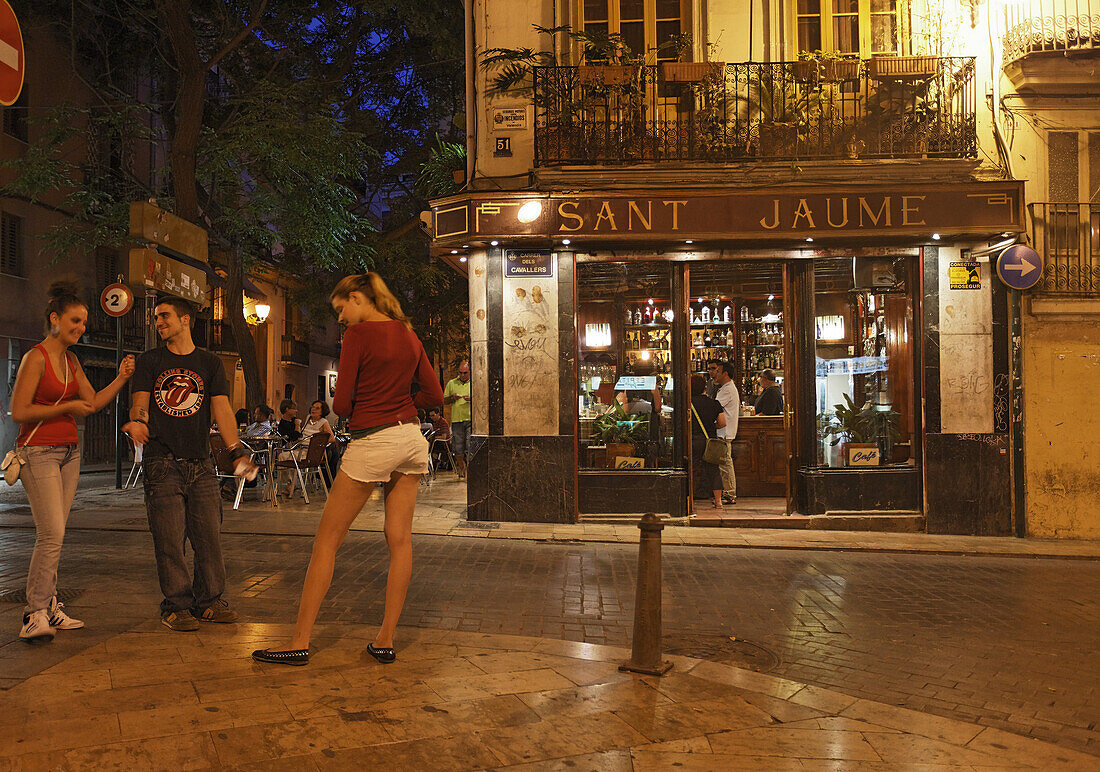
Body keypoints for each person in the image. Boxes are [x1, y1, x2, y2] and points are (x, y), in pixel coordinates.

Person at [252, 272, 443, 667]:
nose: (339, 319)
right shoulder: (409, 334)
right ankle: (385, 639)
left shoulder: (358, 337)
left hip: (373, 441)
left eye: (341, 309)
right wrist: (401, 403)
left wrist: (370, 406)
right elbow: (434, 395)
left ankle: (299, 641)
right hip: (410, 439)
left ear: (357, 297)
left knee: (326, 542)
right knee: (400, 541)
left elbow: (341, 405)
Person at [9, 281, 135, 643]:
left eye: (83, 322)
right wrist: (64, 408)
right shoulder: (36, 357)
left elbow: (93, 403)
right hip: (38, 453)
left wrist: (122, 378)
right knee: (51, 534)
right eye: (75, 321)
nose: (81, 328)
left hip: (69, 452)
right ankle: (34, 614)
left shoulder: (71, 359)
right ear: (54, 319)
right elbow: (19, 412)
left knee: (56, 536)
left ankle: (49, 606)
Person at [122, 297, 256, 632]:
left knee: (208, 536)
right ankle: (176, 606)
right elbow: (140, 402)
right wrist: (138, 421)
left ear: (186, 319)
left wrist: (236, 450)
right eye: (156, 317)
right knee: (169, 539)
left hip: (201, 463)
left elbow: (222, 410)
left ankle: (208, 602)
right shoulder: (150, 361)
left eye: (164, 316)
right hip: (161, 462)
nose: (158, 322)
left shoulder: (209, 363)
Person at [689, 374, 726, 509]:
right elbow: (722, 422)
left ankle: (690, 499)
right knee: (714, 470)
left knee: (691, 468)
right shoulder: (713, 403)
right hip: (710, 440)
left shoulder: (687, 403)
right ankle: (718, 501)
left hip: (692, 439)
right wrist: (710, 427)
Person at [712, 360, 740, 505]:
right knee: (724, 464)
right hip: (724, 432)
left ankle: (729, 494)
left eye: (717, 371)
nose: (714, 374)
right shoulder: (725, 388)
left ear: (725, 373)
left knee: (725, 464)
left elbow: (715, 408)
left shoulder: (727, 389)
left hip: (723, 432)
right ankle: (728, 493)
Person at [443, 360, 471, 480]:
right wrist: (452, 398)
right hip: (457, 420)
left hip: (471, 418)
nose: (463, 375)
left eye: (465, 373)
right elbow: (444, 401)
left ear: (469, 372)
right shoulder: (451, 383)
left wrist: (472, 398)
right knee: (458, 448)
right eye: (460, 373)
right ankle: (461, 467)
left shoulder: (474, 383)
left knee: (470, 446)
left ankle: (471, 471)